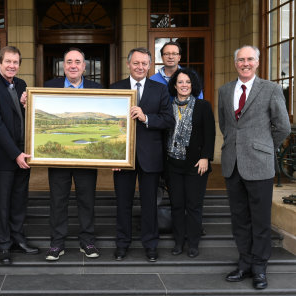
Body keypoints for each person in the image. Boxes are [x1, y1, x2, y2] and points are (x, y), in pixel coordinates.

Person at [219, 45, 291, 289]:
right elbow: (226, 126)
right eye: (241, 59)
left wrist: (263, 148)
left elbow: (283, 126)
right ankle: (245, 263)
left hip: (259, 164)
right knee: (239, 219)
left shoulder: (270, 89)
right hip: (233, 164)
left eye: (250, 59)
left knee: (260, 219)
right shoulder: (225, 90)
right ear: (235, 62)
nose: (245, 63)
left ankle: (260, 268)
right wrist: (236, 147)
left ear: (257, 62)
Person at [110, 47, 175, 262]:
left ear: (150, 66)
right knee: (123, 204)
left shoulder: (160, 89)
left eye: (144, 63)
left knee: (150, 205)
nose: (140, 67)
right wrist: (112, 156)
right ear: (128, 64)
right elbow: (109, 124)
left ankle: (150, 245)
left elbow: (168, 120)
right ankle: (122, 244)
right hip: (122, 158)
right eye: (136, 63)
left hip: (151, 157)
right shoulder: (116, 88)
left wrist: (146, 117)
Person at [0, 46, 39, 266]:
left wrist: (27, 105)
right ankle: (4, 245)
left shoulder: (22, 85)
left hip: (24, 153)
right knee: (3, 202)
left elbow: (27, 117)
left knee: (19, 200)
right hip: (5, 156)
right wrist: (15, 154)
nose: (12, 66)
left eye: (15, 62)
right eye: (8, 62)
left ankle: (18, 239)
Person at [43, 47, 102, 261]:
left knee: (86, 200)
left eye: (77, 61)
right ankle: (56, 244)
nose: (73, 65)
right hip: (58, 157)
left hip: (87, 157)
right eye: (69, 62)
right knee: (58, 200)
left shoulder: (97, 88)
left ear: (84, 66)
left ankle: (87, 241)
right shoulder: (49, 87)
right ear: (63, 66)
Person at [165, 68, 215, 258]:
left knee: (193, 206)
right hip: (173, 164)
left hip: (196, 165)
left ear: (192, 85)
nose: (184, 85)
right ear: (175, 85)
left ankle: (193, 243)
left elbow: (210, 134)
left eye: (188, 82)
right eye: (180, 82)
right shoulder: (168, 107)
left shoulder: (203, 106)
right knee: (177, 205)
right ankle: (179, 242)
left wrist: (205, 157)